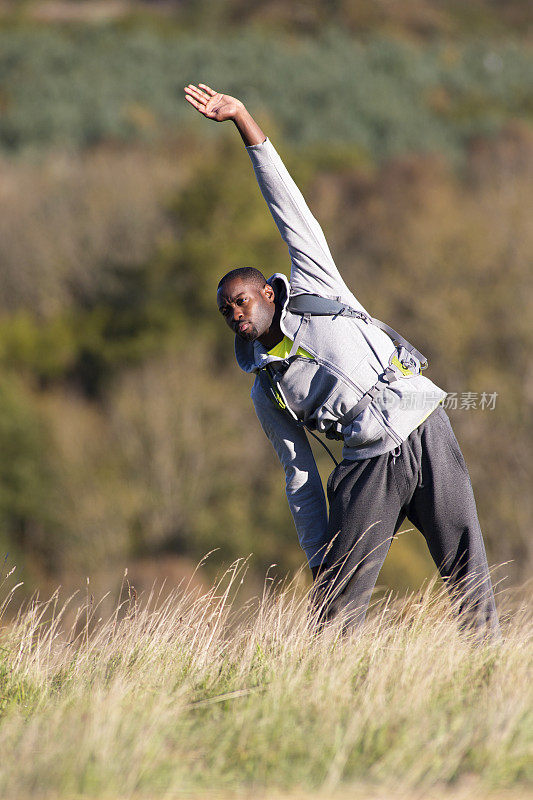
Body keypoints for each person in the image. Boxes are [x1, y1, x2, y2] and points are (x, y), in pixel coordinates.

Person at [184, 83, 500, 638]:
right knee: (334, 607)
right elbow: (299, 474)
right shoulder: (267, 389)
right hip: (365, 466)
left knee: (466, 568)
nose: (234, 314)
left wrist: (243, 121)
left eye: (241, 300)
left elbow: (287, 203)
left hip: (425, 425)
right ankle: (324, 695)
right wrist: (315, 556)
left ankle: (495, 671)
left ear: (267, 294)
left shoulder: (316, 284)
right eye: (224, 311)